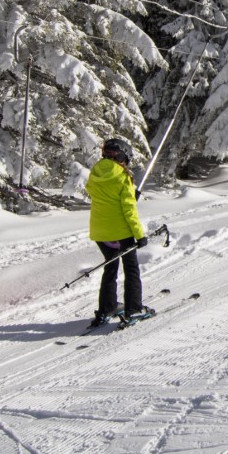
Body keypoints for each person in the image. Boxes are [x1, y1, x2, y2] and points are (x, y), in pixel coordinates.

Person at [86, 138, 150, 326]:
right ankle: (134, 310)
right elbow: (129, 210)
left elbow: (102, 195)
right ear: (122, 156)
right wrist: (140, 235)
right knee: (131, 269)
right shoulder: (123, 176)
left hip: (101, 233)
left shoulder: (95, 172)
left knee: (110, 267)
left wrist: (130, 194)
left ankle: (107, 308)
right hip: (121, 233)